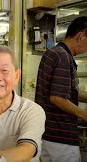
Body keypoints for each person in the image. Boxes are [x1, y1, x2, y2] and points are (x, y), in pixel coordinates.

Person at [35, 16, 87, 162]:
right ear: (80, 36)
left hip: (48, 134)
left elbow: (65, 92)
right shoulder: (63, 57)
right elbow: (57, 98)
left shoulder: (54, 53)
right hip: (61, 137)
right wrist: (84, 115)